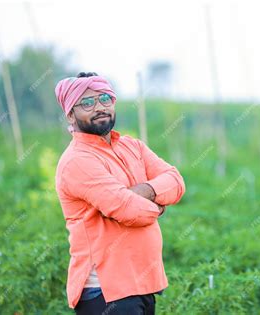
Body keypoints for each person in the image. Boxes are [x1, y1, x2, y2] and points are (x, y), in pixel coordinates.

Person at [54, 72, 185, 314]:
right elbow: (131, 212)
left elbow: (176, 182)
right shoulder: (77, 161)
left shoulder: (132, 146)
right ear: (70, 114)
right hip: (106, 292)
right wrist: (158, 202)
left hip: (142, 285)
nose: (99, 107)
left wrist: (141, 191)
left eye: (105, 98)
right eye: (87, 103)